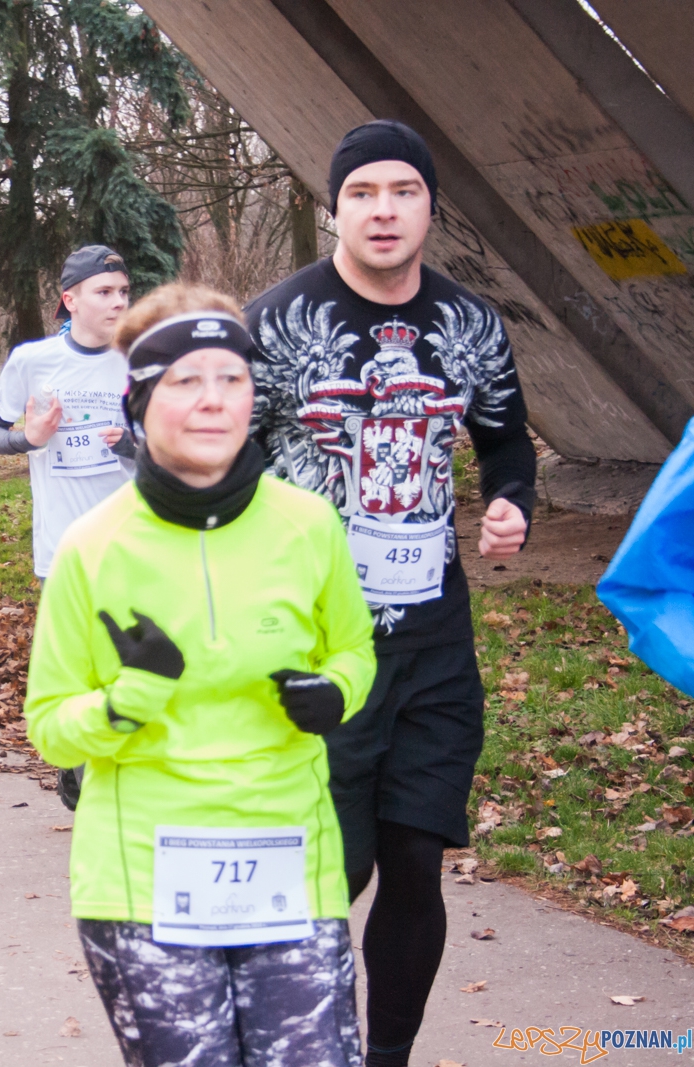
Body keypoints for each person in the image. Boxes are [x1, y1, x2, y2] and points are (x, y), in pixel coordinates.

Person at [25, 282, 377, 1067]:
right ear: (140, 400)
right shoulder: (93, 546)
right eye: (186, 380)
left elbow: (354, 650)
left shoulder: (308, 524)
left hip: (289, 866)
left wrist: (335, 694)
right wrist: (130, 699)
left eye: (232, 378)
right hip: (143, 879)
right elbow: (49, 726)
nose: (213, 399)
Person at [245, 120, 536, 1067]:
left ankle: (388, 1057)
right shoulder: (275, 321)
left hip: (434, 643)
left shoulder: (471, 324)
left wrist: (510, 503)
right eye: (362, 192)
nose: (382, 210)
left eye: (403, 191)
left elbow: (505, 439)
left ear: (430, 208)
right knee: (342, 866)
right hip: (315, 644)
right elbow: (216, 452)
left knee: (416, 860)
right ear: (334, 206)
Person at [0, 245, 139, 810]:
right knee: (76, 665)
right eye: (105, 292)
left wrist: (134, 444)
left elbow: (174, 446)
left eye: (124, 291)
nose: (118, 302)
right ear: (70, 300)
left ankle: (109, 772)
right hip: (63, 545)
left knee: (126, 662)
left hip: (132, 543)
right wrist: (29, 438)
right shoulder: (33, 361)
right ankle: (77, 767)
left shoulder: (141, 359)